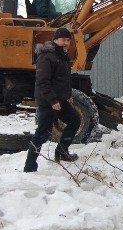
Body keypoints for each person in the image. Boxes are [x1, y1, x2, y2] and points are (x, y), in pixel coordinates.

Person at [23, 27, 80, 173]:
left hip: (61, 101)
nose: (66, 43)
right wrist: (53, 101)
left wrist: (68, 95)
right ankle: (29, 167)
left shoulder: (62, 57)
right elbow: (43, 82)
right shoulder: (47, 56)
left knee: (75, 120)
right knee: (42, 133)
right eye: (63, 40)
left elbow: (63, 80)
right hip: (49, 102)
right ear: (55, 40)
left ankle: (62, 151)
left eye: (68, 40)